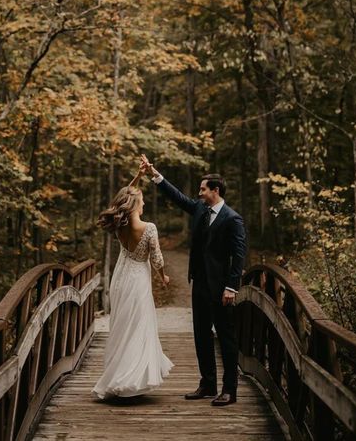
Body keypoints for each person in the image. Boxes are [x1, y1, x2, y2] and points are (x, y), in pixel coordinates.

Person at [140, 154, 246, 406]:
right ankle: (208, 384)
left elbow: (239, 256)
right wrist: (156, 175)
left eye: (202, 189)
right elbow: (179, 198)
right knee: (201, 335)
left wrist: (232, 286)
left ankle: (229, 390)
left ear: (215, 190)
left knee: (226, 337)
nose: (198, 193)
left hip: (221, 288)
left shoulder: (233, 219)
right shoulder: (200, 208)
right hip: (198, 283)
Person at [92, 164, 173, 400]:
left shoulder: (120, 224)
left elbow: (125, 193)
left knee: (122, 325)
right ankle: (130, 379)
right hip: (137, 279)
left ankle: (120, 374)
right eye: (143, 200)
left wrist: (138, 176)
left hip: (121, 277)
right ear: (135, 204)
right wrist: (163, 276)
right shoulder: (148, 228)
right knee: (138, 326)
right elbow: (157, 259)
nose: (145, 203)